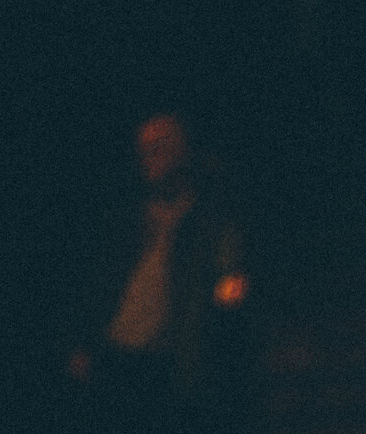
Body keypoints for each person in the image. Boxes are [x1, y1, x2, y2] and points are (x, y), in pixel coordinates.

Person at [68, 113, 249, 406]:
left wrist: (229, 291)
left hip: (164, 365)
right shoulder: (129, 217)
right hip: (113, 355)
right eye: (144, 149)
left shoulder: (208, 220)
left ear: (184, 151)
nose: (148, 157)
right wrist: (83, 343)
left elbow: (227, 280)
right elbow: (100, 282)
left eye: (160, 147)